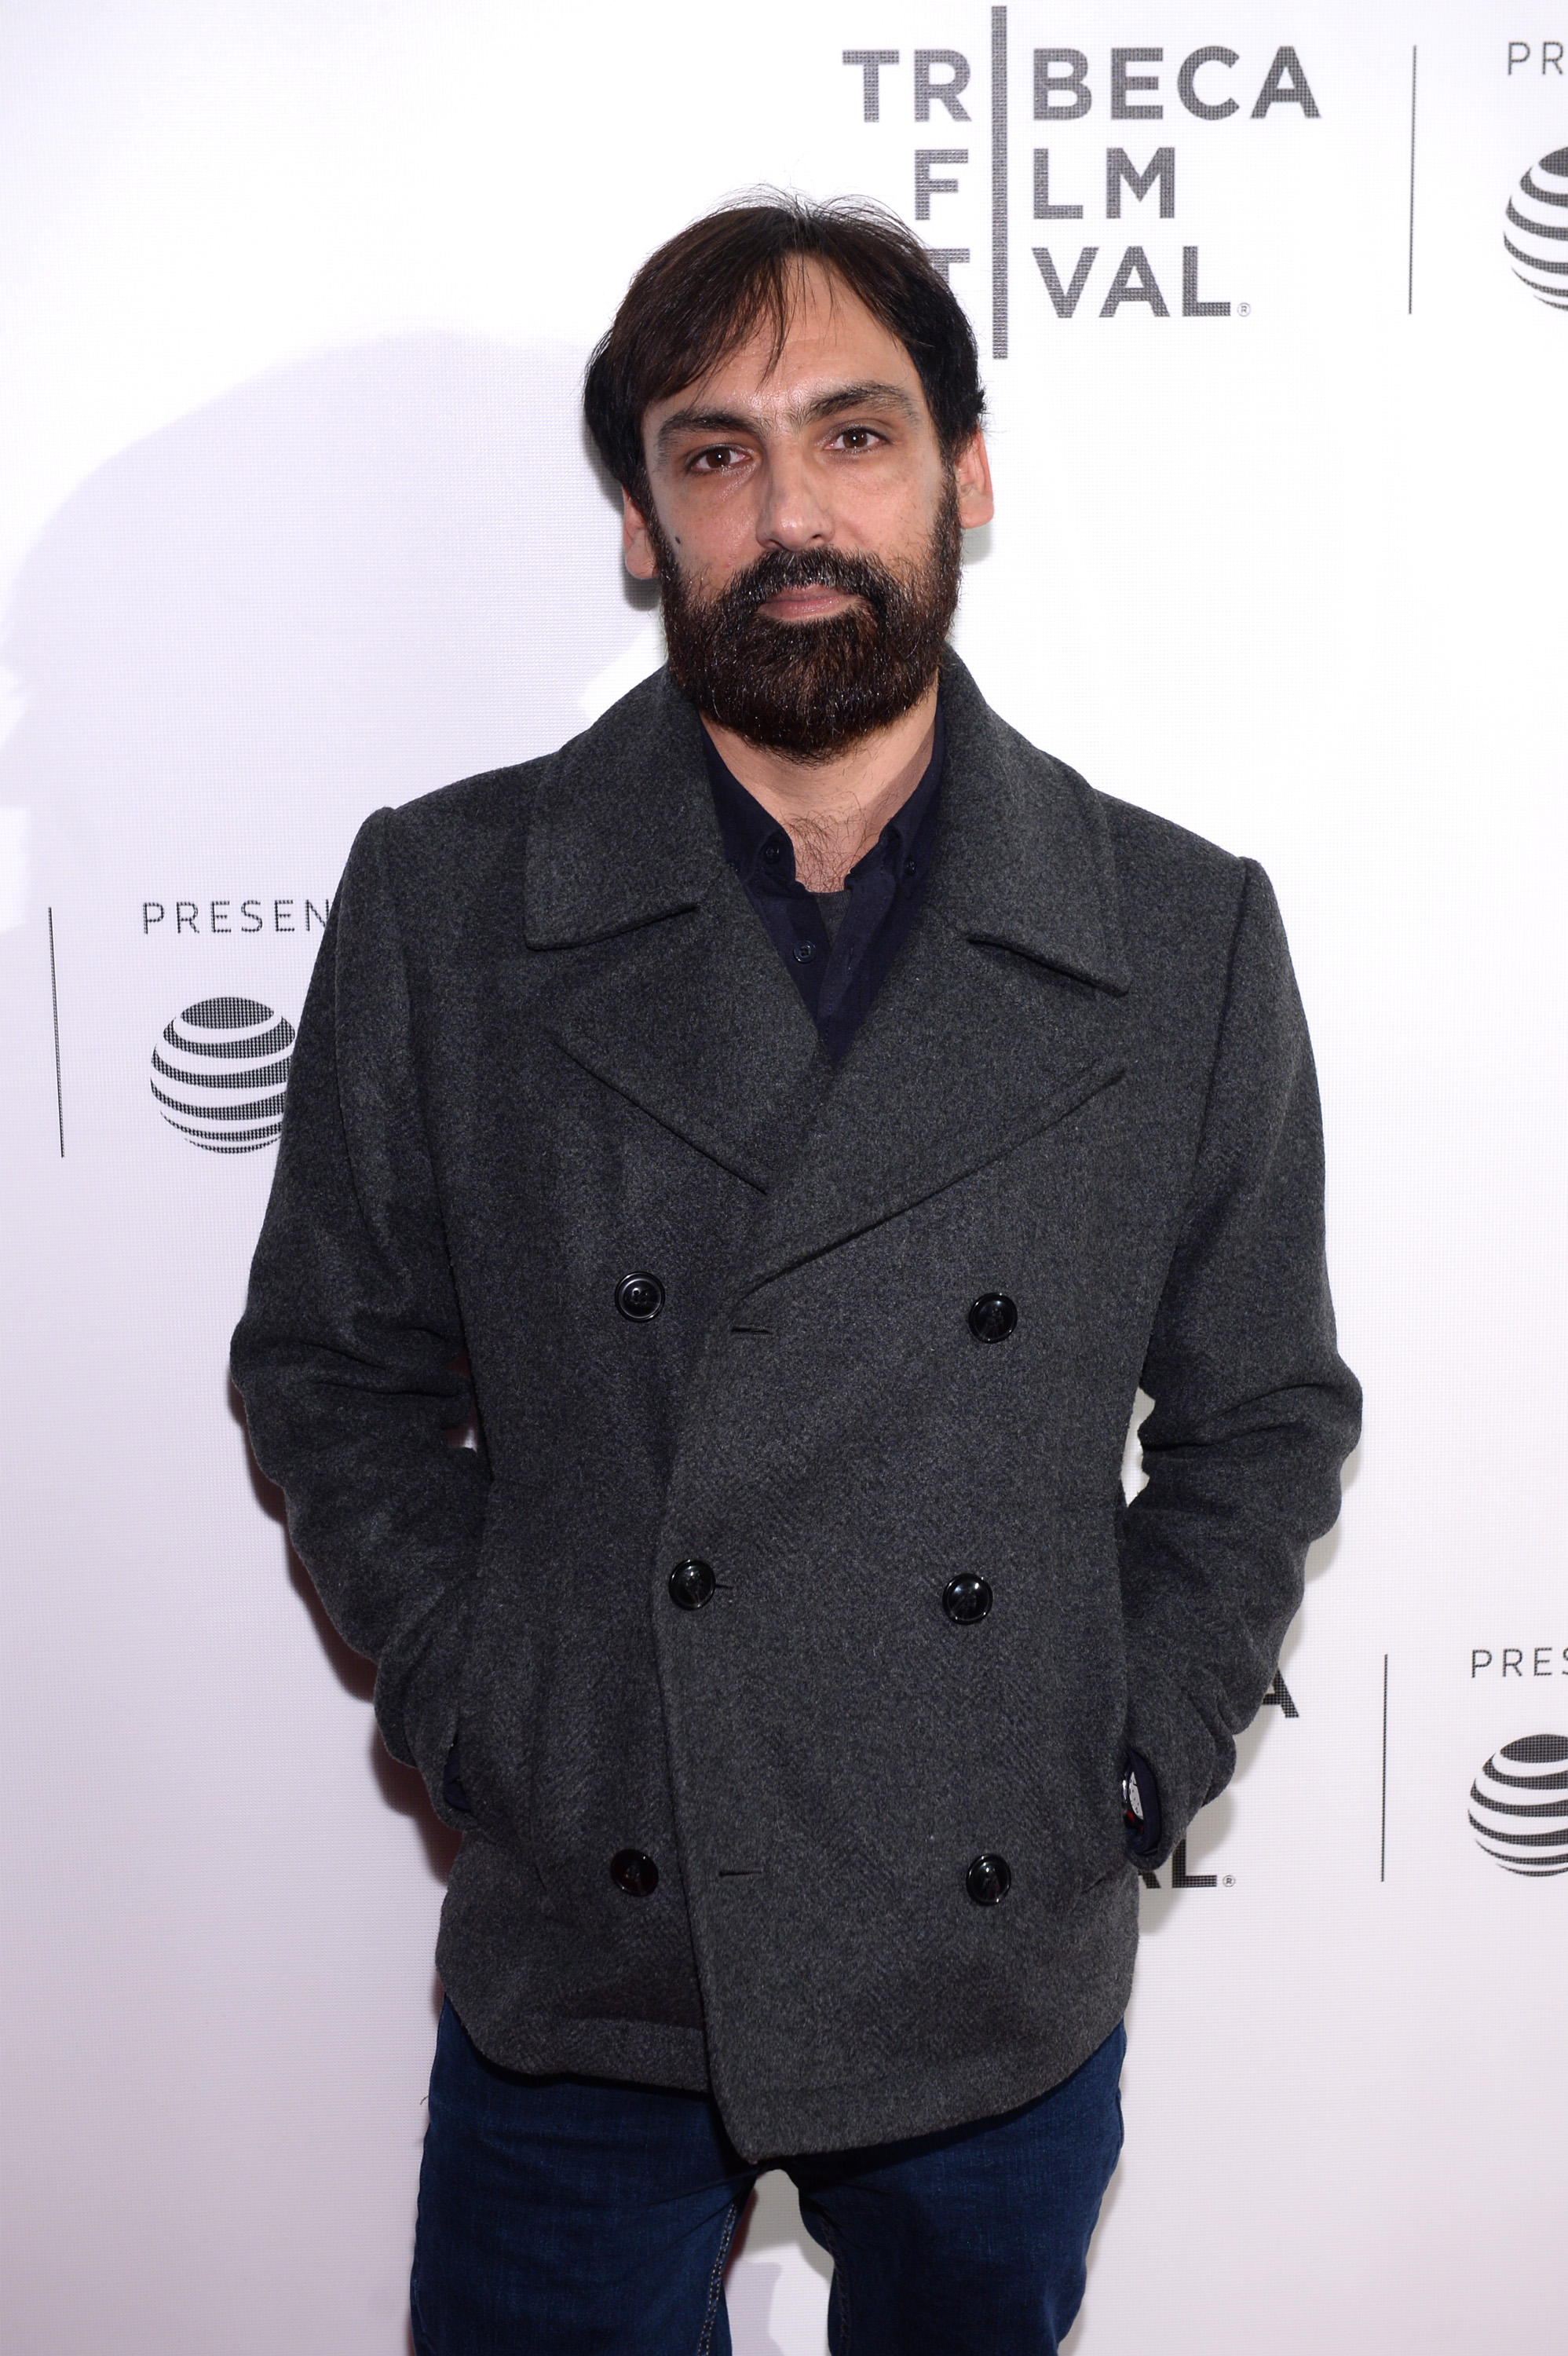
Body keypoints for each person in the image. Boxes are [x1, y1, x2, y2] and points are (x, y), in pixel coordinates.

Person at [231, 195, 1361, 2355]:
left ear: (969, 478)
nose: (791, 512)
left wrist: (1130, 1738)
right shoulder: (452, 903)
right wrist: (504, 1709)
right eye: (716, 451)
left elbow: (1266, 1411)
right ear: (644, 524)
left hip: (987, 1945)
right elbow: (334, 1369)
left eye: (854, 435)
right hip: (595, 1932)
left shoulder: (1178, 933)